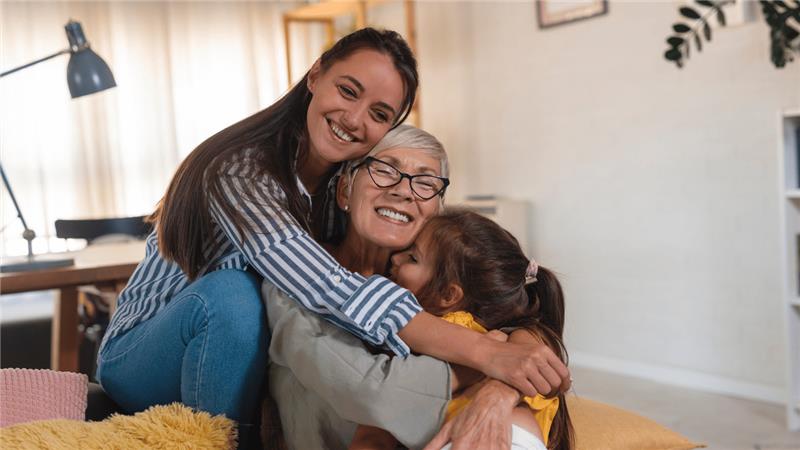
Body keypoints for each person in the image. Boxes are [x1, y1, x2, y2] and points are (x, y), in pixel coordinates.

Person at [96, 26, 567, 446]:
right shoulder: (239, 174)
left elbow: (513, 301)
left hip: (238, 355)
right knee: (234, 295)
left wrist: (503, 379)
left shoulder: (363, 203)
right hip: (146, 353)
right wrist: (486, 357)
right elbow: (329, 289)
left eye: (380, 113)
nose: (356, 119)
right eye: (348, 90)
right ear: (316, 74)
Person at [265, 125, 570, 450]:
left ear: (435, 211)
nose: (404, 190)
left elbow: (526, 334)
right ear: (344, 191)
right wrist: (484, 367)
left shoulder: (438, 288)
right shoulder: (295, 272)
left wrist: (498, 392)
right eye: (384, 170)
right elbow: (373, 392)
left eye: (425, 182)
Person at [349, 209, 574, 450]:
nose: (395, 258)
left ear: (448, 294)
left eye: (413, 258)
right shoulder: (511, 338)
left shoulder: (441, 335)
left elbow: (375, 433)